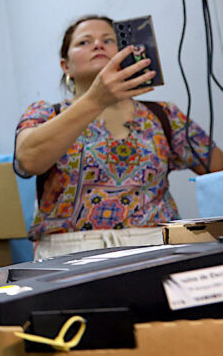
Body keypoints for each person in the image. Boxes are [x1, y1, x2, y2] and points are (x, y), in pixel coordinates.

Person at [14, 14, 223, 259]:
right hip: (69, 256)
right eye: (84, 42)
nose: (98, 45)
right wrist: (95, 100)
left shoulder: (164, 115)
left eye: (108, 40)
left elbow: (218, 171)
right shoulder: (44, 113)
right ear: (65, 65)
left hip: (156, 250)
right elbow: (28, 160)